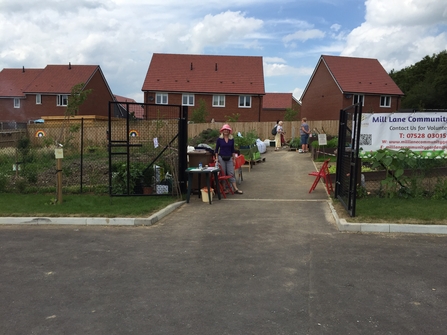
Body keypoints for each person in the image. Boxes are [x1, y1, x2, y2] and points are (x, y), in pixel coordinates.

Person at [215, 124, 243, 194]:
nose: (226, 131)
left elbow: (232, 150)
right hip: (221, 158)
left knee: (231, 173)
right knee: (223, 173)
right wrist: (216, 159)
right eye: (224, 130)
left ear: (229, 131)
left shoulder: (231, 140)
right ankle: (224, 188)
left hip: (229, 157)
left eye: (227, 130)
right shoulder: (219, 139)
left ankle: (235, 188)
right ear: (222, 131)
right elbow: (216, 150)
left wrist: (234, 159)